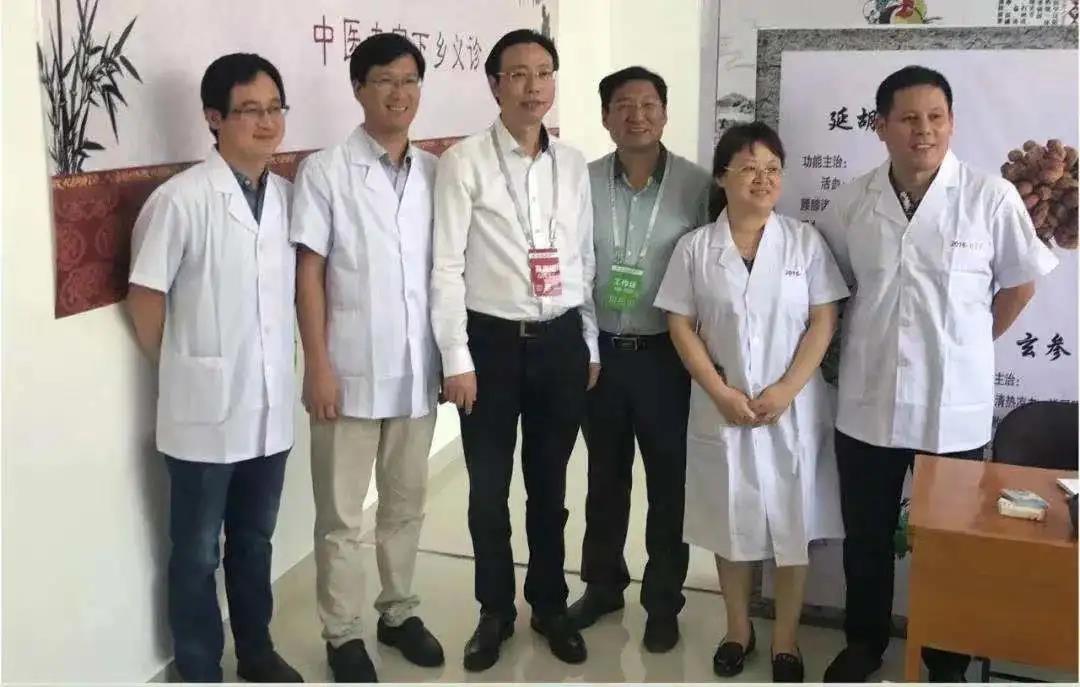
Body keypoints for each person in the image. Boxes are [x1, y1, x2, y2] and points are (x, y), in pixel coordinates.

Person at [817, 65, 1057, 683]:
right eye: (908, 118)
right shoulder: (853, 201)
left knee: (950, 542)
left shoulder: (989, 198)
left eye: (936, 117)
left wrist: (968, 344)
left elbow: (1020, 284)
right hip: (868, 404)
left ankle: (945, 657)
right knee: (866, 538)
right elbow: (832, 287)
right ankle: (864, 644)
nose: (923, 130)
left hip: (954, 408)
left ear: (951, 123)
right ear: (881, 127)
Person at [126, 53, 302, 683]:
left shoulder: (286, 199)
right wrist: (187, 366)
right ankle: (199, 666)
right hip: (203, 414)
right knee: (198, 551)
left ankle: (256, 651)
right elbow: (145, 298)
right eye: (250, 110)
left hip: (270, 408)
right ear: (214, 118)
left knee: (255, 542)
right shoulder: (180, 200)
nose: (266, 122)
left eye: (275, 108)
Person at [654, 122, 848, 683]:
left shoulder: (804, 242)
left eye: (772, 169)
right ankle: (737, 630)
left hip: (792, 408)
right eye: (748, 169)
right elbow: (679, 323)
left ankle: (785, 638)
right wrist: (719, 391)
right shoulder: (696, 248)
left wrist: (787, 389)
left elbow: (824, 319)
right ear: (722, 177)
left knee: (793, 521)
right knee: (731, 520)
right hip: (723, 407)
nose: (763, 179)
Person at [430, 28, 598, 671]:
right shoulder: (464, 161)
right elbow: (446, 267)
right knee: (487, 492)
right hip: (491, 347)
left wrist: (588, 342)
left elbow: (581, 258)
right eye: (519, 74)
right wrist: (456, 358)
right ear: (494, 84)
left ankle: (549, 605)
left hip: (559, 343)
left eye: (544, 72)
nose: (534, 87)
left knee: (549, 489)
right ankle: (494, 611)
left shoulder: (572, 164)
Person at [290, 33, 444, 683]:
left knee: (406, 505)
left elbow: (446, 272)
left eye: (409, 80)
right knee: (342, 516)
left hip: (417, 370)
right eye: (384, 80)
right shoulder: (326, 171)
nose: (399, 93)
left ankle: (398, 611)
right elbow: (309, 274)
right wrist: (318, 366)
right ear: (358, 88)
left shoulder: (435, 172)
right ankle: (343, 631)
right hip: (347, 371)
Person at [567, 66, 712, 654]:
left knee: (669, 482)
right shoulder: (580, 182)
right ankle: (603, 586)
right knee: (604, 479)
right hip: (598, 353)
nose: (637, 115)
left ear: (665, 113)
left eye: (648, 104)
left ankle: (663, 601)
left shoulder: (698, 186)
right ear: (606, 116)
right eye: (623, 105)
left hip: (666, 357)